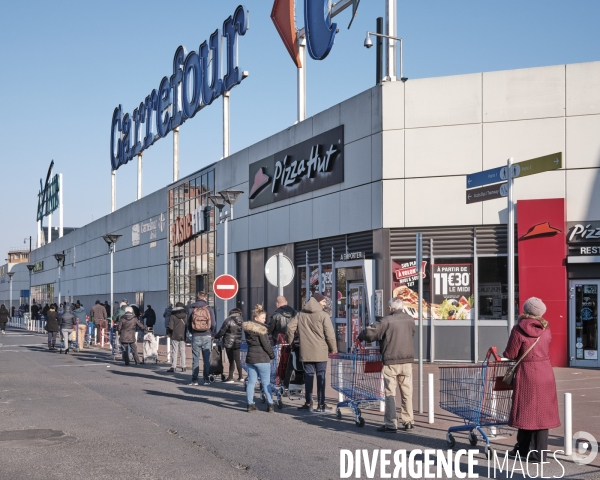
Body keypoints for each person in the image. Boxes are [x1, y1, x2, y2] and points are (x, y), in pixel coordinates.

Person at [504, 297, 560, 463]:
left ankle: (523, 449)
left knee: (525, 410)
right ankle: (537, 453)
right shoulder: (546, 328)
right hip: (545, 372)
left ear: (525, 310)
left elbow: (511, 353)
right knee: (542, 413)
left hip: (527, 373)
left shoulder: (518, 329)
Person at [358, 297, 415, 432]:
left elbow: (371, 333)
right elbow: (412, 333)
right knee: (407, 392)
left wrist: (361, 335)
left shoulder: (386, 321)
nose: (389, 309)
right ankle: (408, 421)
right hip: (407, 361)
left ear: (392, 308)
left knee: (390, 393)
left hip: (391, 360)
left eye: (389, 307)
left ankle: (391, 423)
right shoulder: (410, 319)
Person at [286, 293, 337, 413]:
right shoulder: (323, 315)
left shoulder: (300, 314)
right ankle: (321, 404)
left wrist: (291, 342)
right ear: (317, 301)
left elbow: (289, 328)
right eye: (324, 302)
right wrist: (333, 348)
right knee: (321, 376)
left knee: (308, 376)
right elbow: (330, 335)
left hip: (306, 351)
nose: (325, 304)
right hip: (321, 351)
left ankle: (308, 403)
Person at [243, 305, 275, 412]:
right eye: (262, 318)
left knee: (252, 382)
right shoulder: (262, 330)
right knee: (266, 382)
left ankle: (250, 404)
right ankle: (270, 404)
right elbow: (266, 344)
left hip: (251, 358)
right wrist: (271, 355)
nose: (264, 320)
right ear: (256, 318)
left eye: (264, 318)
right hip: (262, 358)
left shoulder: (247, 329)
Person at [187, 292, 216, 386]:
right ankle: (206, 379)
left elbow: (188, 323)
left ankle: (194, 380)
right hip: (207, 335)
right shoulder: (209, 309)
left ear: (197, 298)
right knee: (206, 359)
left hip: (195, 335)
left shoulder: (191, 308)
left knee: (195, 358)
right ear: (205, 298)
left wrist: (192, 332)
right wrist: (210, 331)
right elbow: (213, 324)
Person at [215, 308, 244, 383]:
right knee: (238, 360)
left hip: (229, 342)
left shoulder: (228, 320)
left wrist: (216, 336)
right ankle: (241, 376)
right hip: (237, 342)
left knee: (231, 360)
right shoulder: (241, 320)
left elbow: (222, 331)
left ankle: (230, 377)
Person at [166, 302, 187, 373]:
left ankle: (173, 366)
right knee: (183, 351)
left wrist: (169, 333)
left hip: (175, 335)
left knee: (175, 350)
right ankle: (183, 366)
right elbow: (187, 325)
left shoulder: (173, 315)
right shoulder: (185, 315)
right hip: (183, 334)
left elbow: (171, 327)